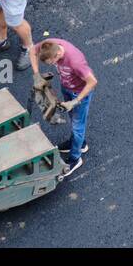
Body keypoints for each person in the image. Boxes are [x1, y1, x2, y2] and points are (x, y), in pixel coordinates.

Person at [36, 38, 98, 177]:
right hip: (67, 87)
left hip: (79, 93)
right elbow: (33, 50)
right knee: (72, 118)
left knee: (78, 126)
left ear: (57, 54)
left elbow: (92, 81)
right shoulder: (50, 44)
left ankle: (75, 158)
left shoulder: (75, 61)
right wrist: (36, 75)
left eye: (52, 62)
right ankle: (79, 144)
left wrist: (75, 101)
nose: (52, 65)